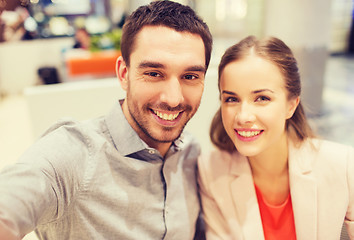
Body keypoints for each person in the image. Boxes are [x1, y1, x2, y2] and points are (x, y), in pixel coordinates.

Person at [0, 1, 212, 239]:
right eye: (154, 73)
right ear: (124, 74)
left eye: (190, 76)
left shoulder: (190, 152)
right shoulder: (74, 156)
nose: (173, 99)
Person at [197, 35, 354, 240]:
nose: (243, 116)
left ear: (291, 104)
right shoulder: (211, 171)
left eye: (262, 98)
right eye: (231, 99)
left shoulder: (344, 165)